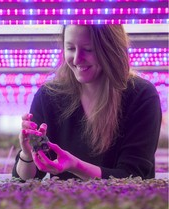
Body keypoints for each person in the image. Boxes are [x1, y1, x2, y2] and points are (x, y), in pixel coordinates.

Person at [12, 25, 162, 181]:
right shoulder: (48, 96)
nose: (77, 59)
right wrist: (28, 154)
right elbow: (27, 177)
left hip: (124, 205)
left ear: (111, 49)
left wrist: (75, 166)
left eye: (88, 49)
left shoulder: (141, 95)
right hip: (64, 205)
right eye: (70, 48)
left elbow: (134, 175)